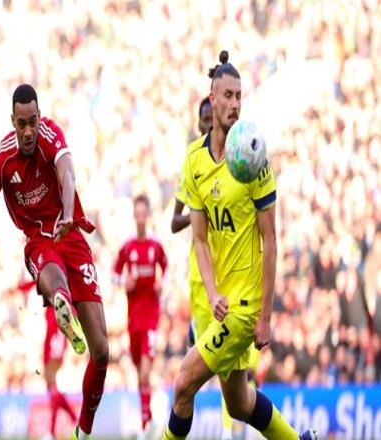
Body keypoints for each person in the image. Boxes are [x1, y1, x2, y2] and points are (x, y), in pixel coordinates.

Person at [162, 51, 317, 440]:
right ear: (212, 99)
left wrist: (265, 316)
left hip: (244, 308)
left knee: (183, 383)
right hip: (222, 304)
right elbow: (199, 239)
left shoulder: (253, 155)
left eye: (239, 97)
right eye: (227, 96)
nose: (234, 104)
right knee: (239, 403)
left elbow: (271, 240)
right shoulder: (194, 160)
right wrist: (212, 293)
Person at [0, 84, 108, 440]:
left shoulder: (50, 135)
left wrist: (68, 213)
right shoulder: (0, 161)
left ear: (40, 117)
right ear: (13, 121)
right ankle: (62, 301)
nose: (28, 131)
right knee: (52, 275)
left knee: (102, 352)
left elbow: (67, 172)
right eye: (22, 123)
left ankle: (83, 433)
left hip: (69, 231)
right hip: (39, 241)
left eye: (33, 122)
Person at [172, 95, 263, 440]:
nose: (209, 123)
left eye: (213, 117)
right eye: (205, 119)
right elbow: (175, 222)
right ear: (199, 124)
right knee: (198, 374)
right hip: (202, 280)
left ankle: (228, 432)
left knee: (220, 373)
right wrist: (199, 211)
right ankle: (228, 430)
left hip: (234, 282)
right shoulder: (193, 163)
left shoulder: (237, 161)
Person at [113, 194, 168, 439]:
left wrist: (162, 284)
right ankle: (147, 421)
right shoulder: (128, 246)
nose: (141, 218)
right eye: (138, 213)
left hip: (151, 318)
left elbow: (167, 268)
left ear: (148, 215)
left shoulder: (156, 246)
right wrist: (123, 282)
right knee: (139, 374)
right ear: (134, 216)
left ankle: (147, 425)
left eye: (144, 213)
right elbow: (114, 273)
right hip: (133, 318)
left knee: (146, 373)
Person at [16, 278, 77, 440]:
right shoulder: (62, 284)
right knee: (51, 386)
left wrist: (19, 288)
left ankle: (52, 432)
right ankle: (74, 421)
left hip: (55, 334)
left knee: (51, 383)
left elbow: (38, 280)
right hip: (56, 334)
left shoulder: (56, 280)